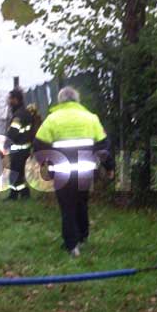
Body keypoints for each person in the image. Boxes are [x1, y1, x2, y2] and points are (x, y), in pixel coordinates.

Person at [33, 87, 115, 257]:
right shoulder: (91, 118)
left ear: (60, 100)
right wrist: (109, 167)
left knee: (67, 207)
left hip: (62, 172)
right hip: (85, 170)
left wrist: (45, 163)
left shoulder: (52, 119)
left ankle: (72, 245)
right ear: (78, 100)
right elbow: (103, 145)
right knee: (81, 202)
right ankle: (83, 236)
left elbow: (39, 144)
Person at [5, 88, 33, 200]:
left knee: (15, 173)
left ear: (16, 99)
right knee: (18, 174)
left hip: (18, 149)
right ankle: (20, 194)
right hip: (24, 148)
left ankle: (18, 194)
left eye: (10, 99)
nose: (9, 101)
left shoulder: (18, 115)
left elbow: (13, 133)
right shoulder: (25, 113)